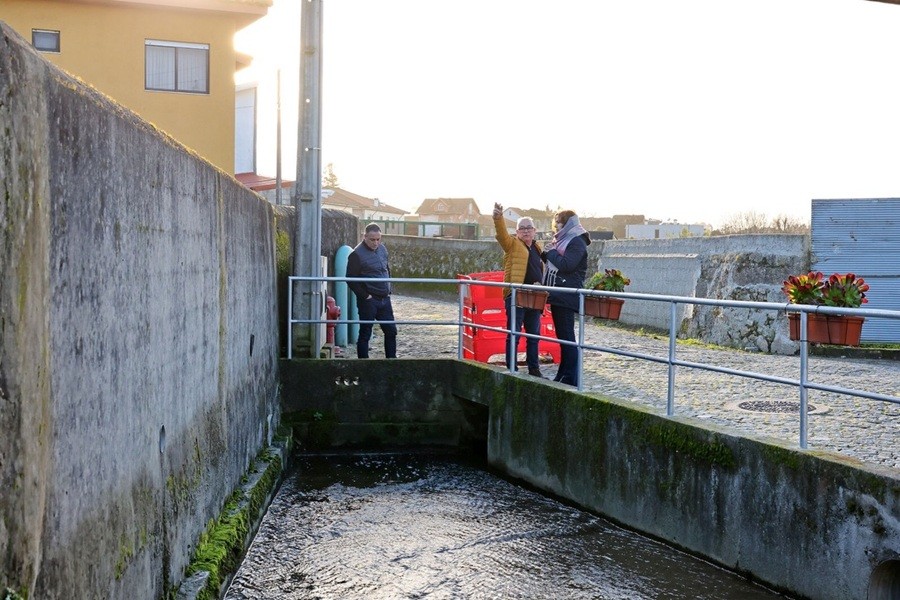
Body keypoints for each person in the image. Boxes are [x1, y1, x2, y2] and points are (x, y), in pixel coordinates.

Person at [492, 203, 545, 377]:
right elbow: (502, 235)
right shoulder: (512, 244)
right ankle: (512, 369)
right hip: (516, 295)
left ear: (534, 230)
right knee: (514, 333)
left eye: (529, 228)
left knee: (534, 335)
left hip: (534, 297)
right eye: (522, 228)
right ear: (517, 232)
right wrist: (498, 218)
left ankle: (534, 369)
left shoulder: (537, 248)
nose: (526, 231)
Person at [543, 210, 591, 386]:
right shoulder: (564, 240)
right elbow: (558, 262)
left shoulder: (576, 241)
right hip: (560, 294)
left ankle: (570, 378)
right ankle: (563, 374)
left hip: (567, 294)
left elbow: (567, 265)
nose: (557, 225)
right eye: (556, 222)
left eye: (559, 222)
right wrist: (546, 254)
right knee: (563, 338)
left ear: (568, 223)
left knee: (567, 338)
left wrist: (550, 253)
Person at [347, 223, 397, 359]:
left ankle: (392, 362)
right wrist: (365, 296)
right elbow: (350, 279)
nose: (376, 243)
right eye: (372, 239)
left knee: (391, 331)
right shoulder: (356, 255)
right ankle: (364, 364)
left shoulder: (382, 249)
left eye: (378, 239)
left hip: (384, 299)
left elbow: (386, 268)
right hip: (369, 300)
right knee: (365, 333)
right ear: (365, 237)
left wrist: (389, 287)